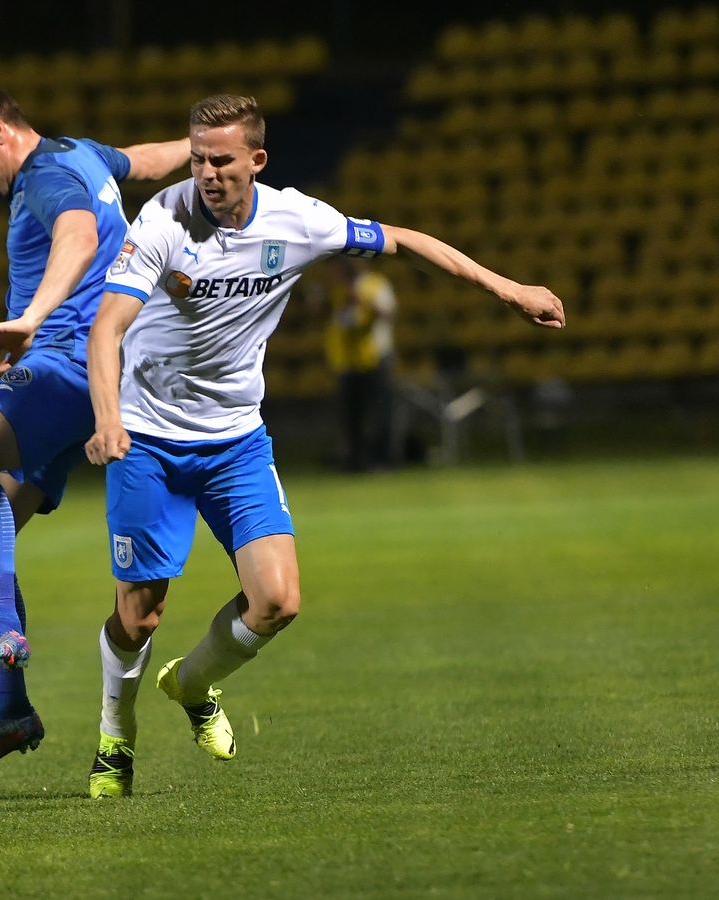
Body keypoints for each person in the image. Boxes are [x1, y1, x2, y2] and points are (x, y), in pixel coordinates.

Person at [83, 94, 565, 798]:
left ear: (257, 160)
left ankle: (190, 686)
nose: (206, 172)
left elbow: (402, 239)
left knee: (277, 601)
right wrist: (106, 419)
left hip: (236, 441)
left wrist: (507, 287)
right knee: (139, 614)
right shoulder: (162, 221)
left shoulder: (298, 219)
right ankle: (114, 741)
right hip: (147, 440)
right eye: (196, 158)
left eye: (221, 159)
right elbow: (106, 330)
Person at [0, 86, 190, 782]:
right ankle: (8, 709)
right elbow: (143, 160)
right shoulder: (80, 153)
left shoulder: (45, 178)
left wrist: (31, 318)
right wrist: (203, 153)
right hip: (98, 373)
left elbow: (77, 236)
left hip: (71, 365)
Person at [324, 255, 397, 471]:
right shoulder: (337, 289)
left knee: (379, 412)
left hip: (376, 355)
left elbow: (388, 313)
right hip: (347, 360)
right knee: (350, 415)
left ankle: (383, 460)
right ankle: (355, 462)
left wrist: (360, 298)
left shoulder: (376, 284)